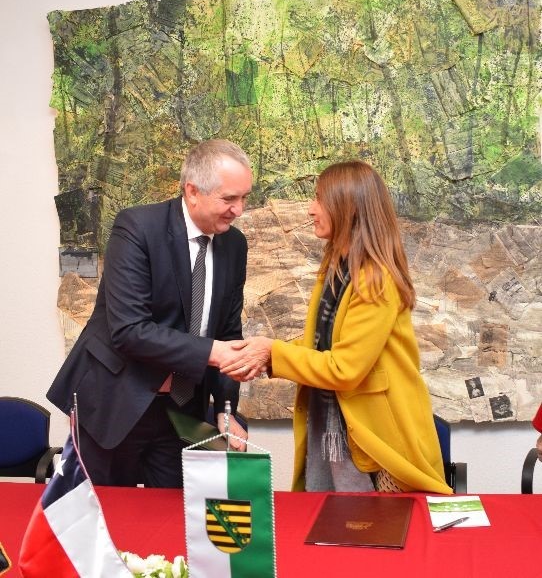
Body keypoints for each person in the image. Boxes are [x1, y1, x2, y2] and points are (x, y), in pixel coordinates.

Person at [222, 160, 452, 494]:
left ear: (347, 207)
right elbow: (322, 347)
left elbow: (345, 368)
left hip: (379, 444)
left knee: (374, 524)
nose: (310, 209)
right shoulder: (336, 267)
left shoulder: (375, 280)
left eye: (319, 199)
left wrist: (272, 353)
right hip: (338, 429)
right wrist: (266, 355)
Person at [47, 139, 252, 487]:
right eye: (229, 199)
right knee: (107, 513)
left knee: (173, 515)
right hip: (117, 400)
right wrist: (214, 352)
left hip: (182, 410)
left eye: (245, 197)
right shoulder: (137, 228)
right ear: (192, 191)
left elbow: (229, 334)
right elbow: (129, 330)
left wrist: (224, 408)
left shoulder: (234, 245)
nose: (239, 210)